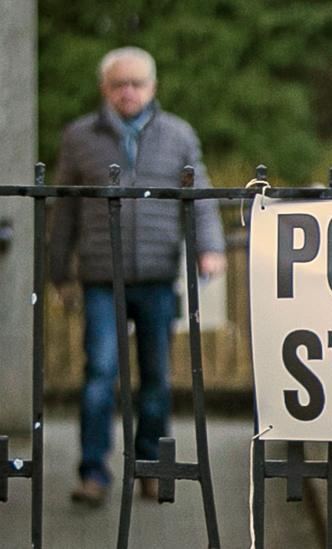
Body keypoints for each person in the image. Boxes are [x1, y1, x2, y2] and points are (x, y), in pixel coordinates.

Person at [49, 46, 226, 506]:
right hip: (100, 276)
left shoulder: (178, 134)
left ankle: (150, 466)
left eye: (137, 83)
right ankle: (94, 473)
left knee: (156, 376)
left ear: (152, 87)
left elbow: (200, 194)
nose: (128, 91)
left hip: (156, 274)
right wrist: (57, 269)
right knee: (100, 371)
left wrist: (209, 247)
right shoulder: (80, 137)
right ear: (105, 89)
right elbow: (64, 208)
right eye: (119, 83)